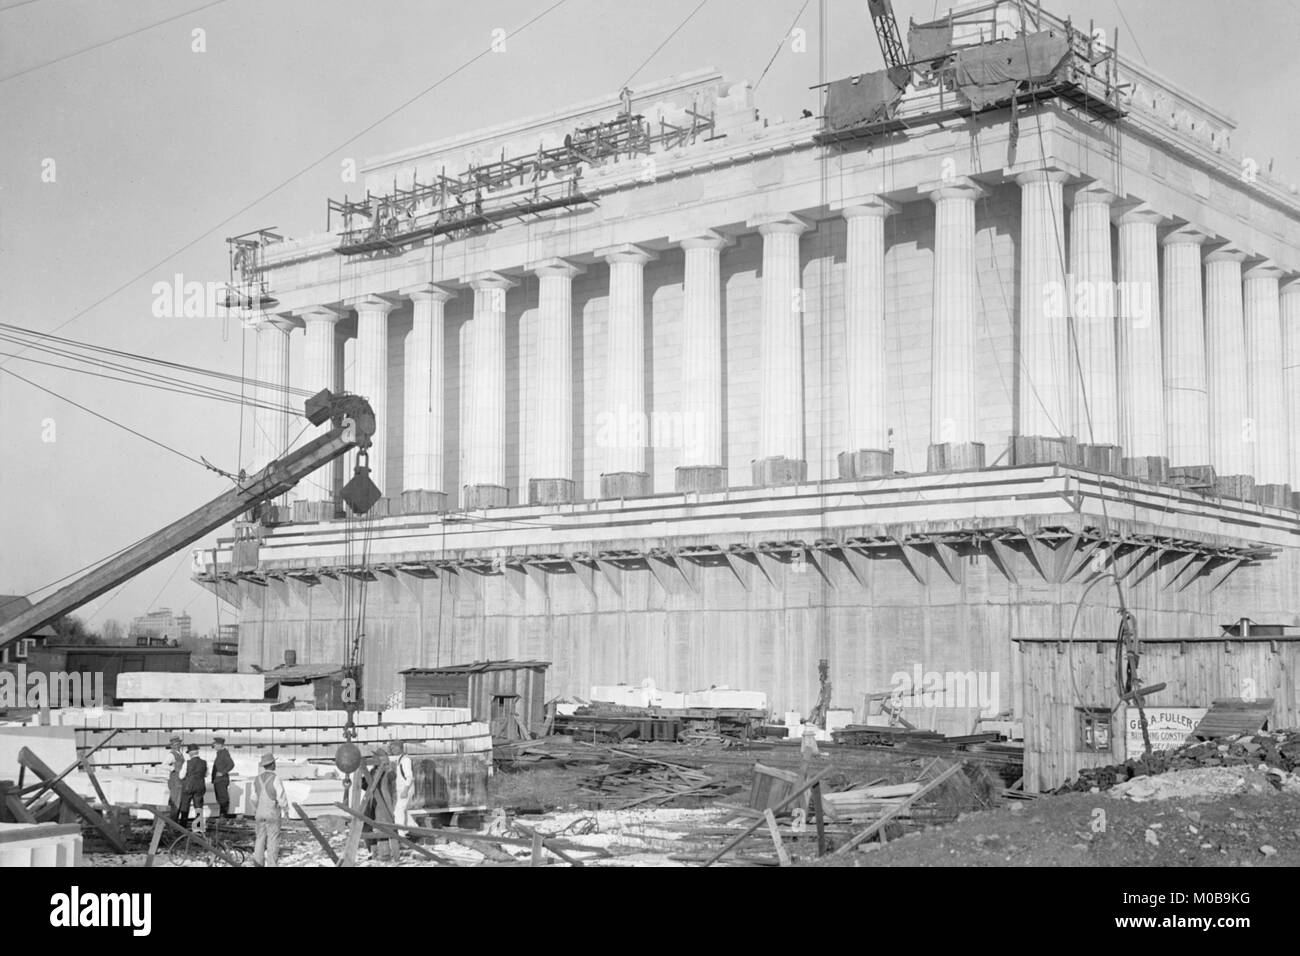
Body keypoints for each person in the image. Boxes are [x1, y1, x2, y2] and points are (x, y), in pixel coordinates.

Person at [247, 753, 290, 867]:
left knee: (259, 839)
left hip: (260, 814)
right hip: (272, 813)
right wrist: (286, 809)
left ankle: (258, 864)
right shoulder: (275, 778)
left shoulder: (256, 779)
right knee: (273, 840)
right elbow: (281, 797)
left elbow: (253, 798)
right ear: (272, 764)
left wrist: (256, 809)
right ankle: (272, 864)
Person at [178, 744, 207, 829]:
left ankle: (183, 826)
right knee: (198, 806)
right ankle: (198, 827)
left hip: (188, 787)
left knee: (185, 805)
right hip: (200, 786)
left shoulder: (187, 763)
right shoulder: (204, 763)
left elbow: (181, 776)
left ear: (190, 753)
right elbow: (206, 774)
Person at [391, 741, 415, 833]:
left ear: (399, 747)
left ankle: (401, 835)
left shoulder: (405, 760)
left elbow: (409, 776)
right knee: (402, 810)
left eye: (393, 748)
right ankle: (414, 828)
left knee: (398, 811)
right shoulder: (399, 759)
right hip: (402, 789)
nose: (392, 750)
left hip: (406, 788)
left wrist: (405, 790)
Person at [211, 737, 234, 818]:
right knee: (220, 799)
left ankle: (223, 816)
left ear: (220, 745)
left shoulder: (224, 753)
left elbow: (231, 764)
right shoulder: (220, 753)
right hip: (218, 780)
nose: (214, 746)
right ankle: (222, 816)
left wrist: (222, 772)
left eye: (215, 744)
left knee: (223, 798)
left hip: (221, 780)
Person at [165, 737, 185, 821]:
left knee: (179, 801)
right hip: (175, 781)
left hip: (180, 781)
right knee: (175, 802)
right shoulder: (171, 755)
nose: (178, 745)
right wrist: (173, 769)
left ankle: (174, 821)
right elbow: (163, 765)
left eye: (179, 743)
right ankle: (172, 822)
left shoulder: (180, 753)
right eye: (175, 744)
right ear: (172, 746)